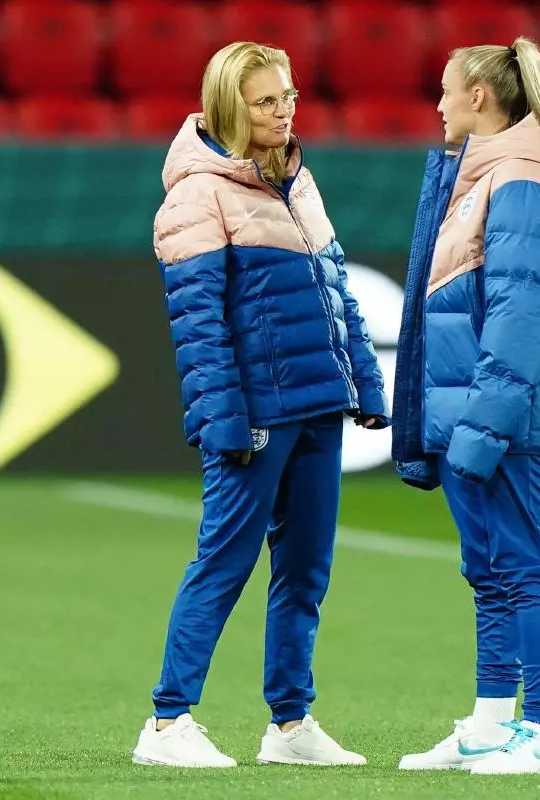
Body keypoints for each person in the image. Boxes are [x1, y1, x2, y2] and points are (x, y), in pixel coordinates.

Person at [132, 41, 389, 770]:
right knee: (225, 562)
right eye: (267, 101)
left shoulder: (298, 180)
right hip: (256, 413)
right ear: (227, 107)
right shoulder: (195, 194)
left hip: (316, 406)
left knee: (306, 569)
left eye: (290, 98)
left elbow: (337, 289)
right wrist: (224, 416)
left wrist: (364, 384)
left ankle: (289, 723)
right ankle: (167, 722)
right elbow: (199, 323)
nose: (285, 113)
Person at [391, 36, 540, 776]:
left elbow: (522, 321)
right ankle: (489, 724)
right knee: (490, 571)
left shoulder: (524, 184)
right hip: (477, 416)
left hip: (507, 424)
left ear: (480, 97)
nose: (439, 103)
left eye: (446, 89)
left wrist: (483, 428)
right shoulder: (490, 180)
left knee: (527, 568)